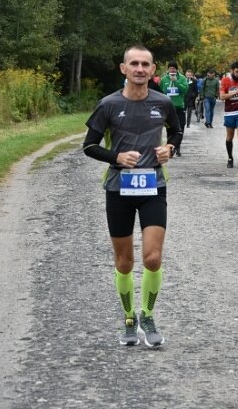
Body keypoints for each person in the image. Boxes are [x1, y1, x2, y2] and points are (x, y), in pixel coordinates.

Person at [82, 44, 182, 347]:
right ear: (123, 69)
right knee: (124, 262)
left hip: (154, 187)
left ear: (153, 70)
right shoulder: (109, 104)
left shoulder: (163, 102)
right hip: (118, 189)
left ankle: (147, 315)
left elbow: (176, 131)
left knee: (152, 258)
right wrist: (116, 157)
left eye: (145, 64)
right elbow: (89, 145)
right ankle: (128, 318)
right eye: (134, 64)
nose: (140, 69)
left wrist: (170, 148)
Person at [159, 61, 188, 156]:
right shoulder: (163, 79)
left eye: (174, 68)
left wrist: (176, 82)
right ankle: (170, 147)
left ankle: (178, 147)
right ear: (168, 69)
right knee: (169, 128)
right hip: (168, 108)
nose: (172, 70)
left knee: (180, 128)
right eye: (170, 68)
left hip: (179, 107)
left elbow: (185, 90)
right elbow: (161, 92)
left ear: (176, 69)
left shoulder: (182, 78)